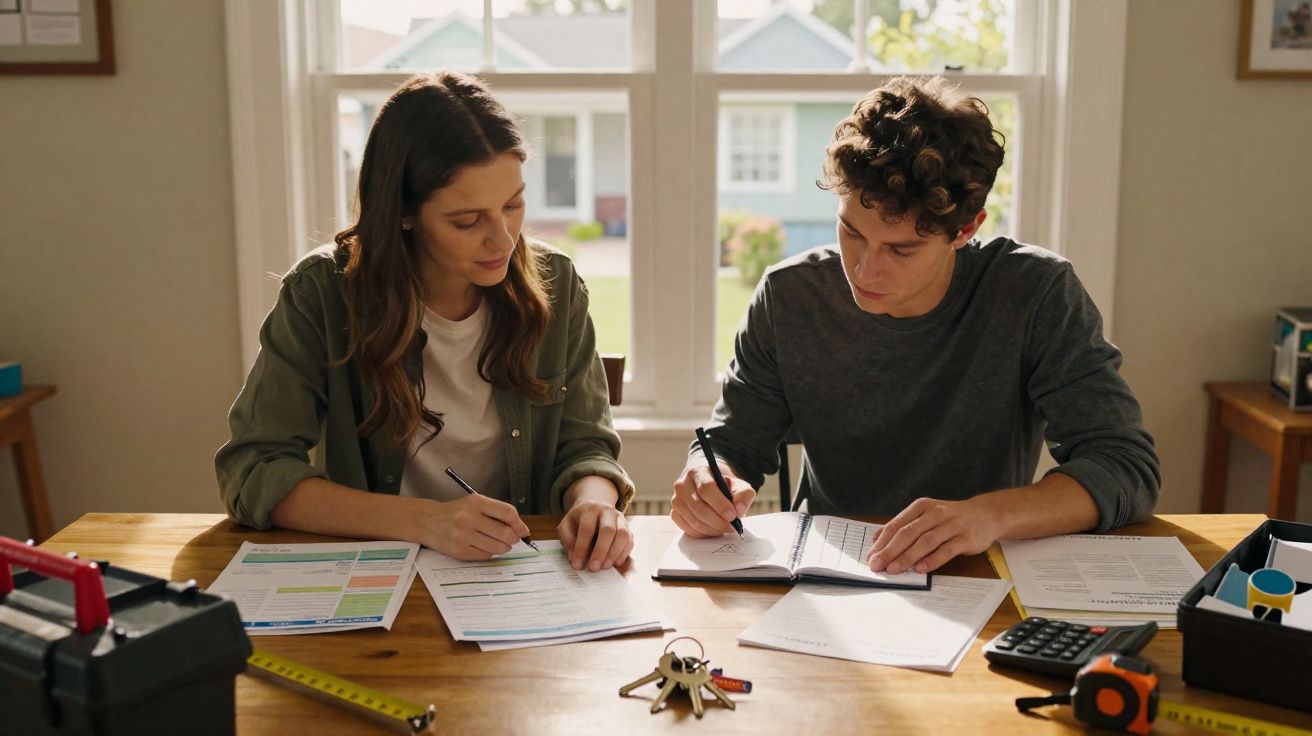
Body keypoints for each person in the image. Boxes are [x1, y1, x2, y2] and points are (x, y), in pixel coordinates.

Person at [670, 76, 1160, 575]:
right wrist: (708, 477)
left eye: (901, 250)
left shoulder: (1035, 293)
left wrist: (989, 515)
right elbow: (730, 446)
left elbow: (1125, 465)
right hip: (826, 575)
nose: (865, 271)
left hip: (980, 570)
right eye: (851, 232)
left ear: (966, 229)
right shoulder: (789, 295)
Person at [216, 71, 634, 572]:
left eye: (513, 205)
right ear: (403, 213)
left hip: (518, 576)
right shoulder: (322, 293)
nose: (503, 239)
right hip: (374, 574)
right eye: (467, 220)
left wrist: (594, 502)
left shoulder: (557, 285)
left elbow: (586, 446)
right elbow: (253, 469)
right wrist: (426, 521)